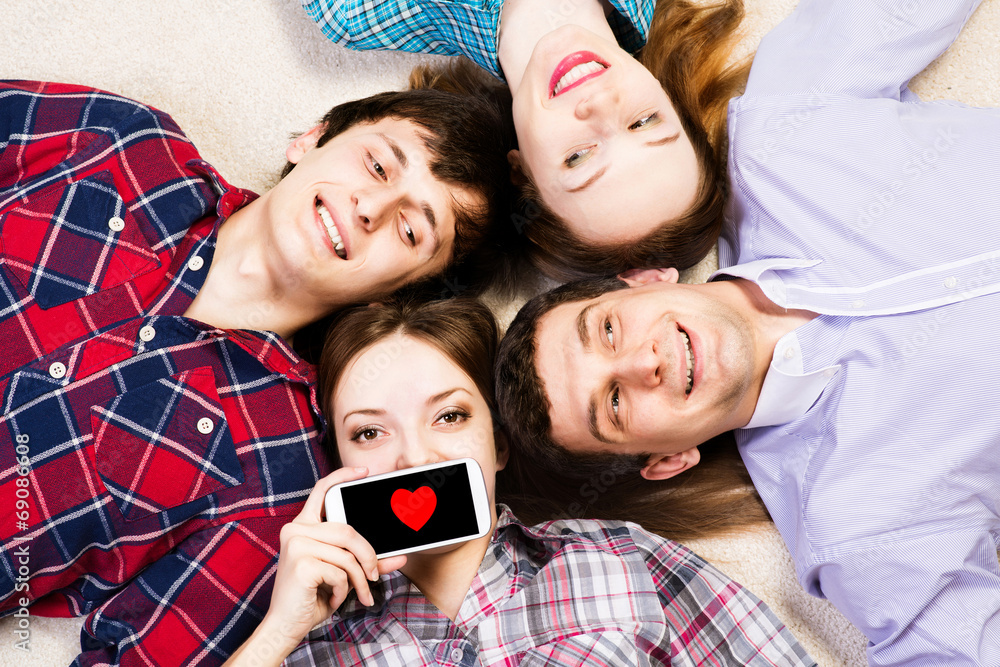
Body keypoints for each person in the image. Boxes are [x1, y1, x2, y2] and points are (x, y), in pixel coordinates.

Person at [494, 1, 1000, 664]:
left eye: (610, 330)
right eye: (614, 404)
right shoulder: (858, 525)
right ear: (666, 461)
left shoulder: (784, 127)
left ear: (644, 279)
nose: (641, 364)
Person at [0, 78, 512, 666]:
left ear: (396, 296)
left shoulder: (278, 486)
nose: (371, 208)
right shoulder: (124, 141)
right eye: (377, 165)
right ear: (314, 138)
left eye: (411, 230)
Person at [223, 296, 815, 667]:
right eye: (370, 434)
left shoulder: (621, 561)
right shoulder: (312, 650)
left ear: (498, 444)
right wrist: (278, 632)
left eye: (450, 416)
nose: (415, 458)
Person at [302, 0, 748, 279]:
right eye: (644, 122)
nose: (600, 104)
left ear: (520, 171)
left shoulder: (354, 13)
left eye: (578, 157)